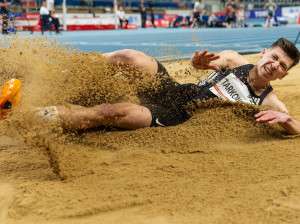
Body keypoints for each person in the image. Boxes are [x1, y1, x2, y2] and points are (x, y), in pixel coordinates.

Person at [1, 38, 300, 135]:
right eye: (274, 57)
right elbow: (204, 64)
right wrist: (197, 64)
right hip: (173, 90)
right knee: (130, 57)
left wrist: (287, 121)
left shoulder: (271, 103)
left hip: (177, 117)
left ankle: (26, 117)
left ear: (283, 75)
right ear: (264, 54)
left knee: (112, 111)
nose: (274, 64)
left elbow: (295, 125)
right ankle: (50, 75)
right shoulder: (235, 60)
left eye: (282, 66)